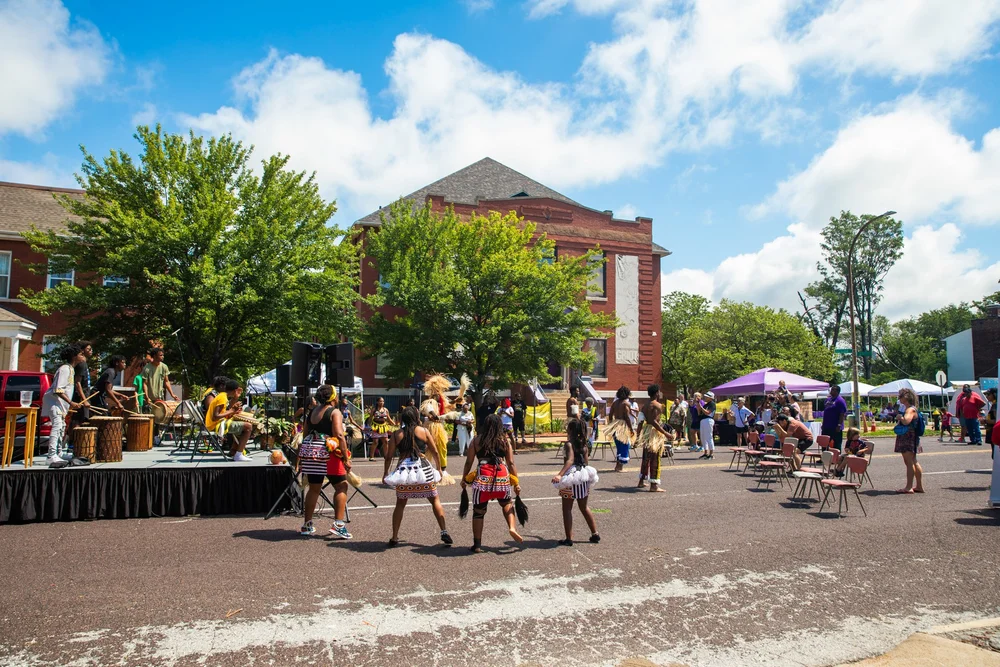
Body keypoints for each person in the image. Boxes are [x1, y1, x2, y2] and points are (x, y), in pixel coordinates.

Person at [382, 406, 452, 547]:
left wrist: (385, 473)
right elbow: (435, 452)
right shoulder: (424, 431)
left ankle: (394, 537)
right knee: (434, 500)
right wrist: (438, 469)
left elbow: (388, 456)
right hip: (423, 470)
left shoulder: (396, 434)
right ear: (416, 417)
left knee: (400, 504)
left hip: (404, 472)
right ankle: (444, 531)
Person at [461, 413, 523, 553]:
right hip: (501, 475)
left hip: (483, 477)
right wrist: (516, 482)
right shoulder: (504, 441)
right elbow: (511, 463)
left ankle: (477, 545)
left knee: (478, 512)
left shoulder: (476, 441)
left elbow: (469, 462)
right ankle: (512, 527)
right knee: (507, 503)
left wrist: (464, 478)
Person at [297, 385, 352, 538]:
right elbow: (339, 435)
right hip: (328, 451)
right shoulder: (334, 412)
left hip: (312, 451)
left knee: (314, 488)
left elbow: (305, 433)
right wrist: (346, 459)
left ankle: (307, 524)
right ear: (333, 397)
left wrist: (301, 458)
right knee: (341, 486)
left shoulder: (312, 412)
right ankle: (339, 525)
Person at [552, 418, 600, 545]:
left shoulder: (569, 444)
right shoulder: (584, 444)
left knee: (567, 509)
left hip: (570, 478)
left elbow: (570, 460)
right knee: (584, 507)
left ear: (571, 430)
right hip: (583, 476)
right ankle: (595, 534)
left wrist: (559, 475)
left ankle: (569, 538)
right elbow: (586, 462)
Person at [41, 344, 85, 464]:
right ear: (74, 356)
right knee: (57, 427)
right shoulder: (64, 369)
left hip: (60, 403)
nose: (83, 356)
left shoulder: (70, 369)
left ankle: (59, 452)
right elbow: (58, 389)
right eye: (81, 354)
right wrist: (71, 402)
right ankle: (51, 455)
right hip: (54, 402)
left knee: (62, 427)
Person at [204, 379, 253, 461]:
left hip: (218, 423)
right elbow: (215, 416)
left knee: (241, 425)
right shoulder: (222, 398)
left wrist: (233, 410)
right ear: (234, 390)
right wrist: (232, 411)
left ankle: (234, 451)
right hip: (215, 425)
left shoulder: (222, 396)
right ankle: (239, 455)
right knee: (248, 427)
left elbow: (225, 412)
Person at [636, 384, 671, 492]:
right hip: (654, 433)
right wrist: (666, 433)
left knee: (646, 457)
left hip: (647, 433)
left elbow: (641, 422)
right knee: (655, 458)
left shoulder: (645, 405)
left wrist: (638, 435)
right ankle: (654, 485)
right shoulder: (658, 405)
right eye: (659, 392)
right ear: (656, 393)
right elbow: (653, 421)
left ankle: (641, 481)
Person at [894, 387, 924, 494]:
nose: (899, 398)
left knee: (909, 462)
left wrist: (900, 417)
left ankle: (909, 487)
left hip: (908, 437)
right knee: (914, 461)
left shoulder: (910, 409)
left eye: (900, 396)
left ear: (906, 397)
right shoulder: (912, 408)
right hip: (912, 436)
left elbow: (906, 421)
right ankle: (919, 486)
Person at [605, 386, 635, 472]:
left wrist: (611, 425)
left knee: (619, 446)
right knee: (625, 445)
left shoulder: (615, 403)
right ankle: (620, 466)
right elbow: (627, 417)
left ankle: (617, 465)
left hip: (615, 426)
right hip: (622, 426)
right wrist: (631, 429)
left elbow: (610, 415)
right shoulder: (626, 404)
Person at [70, 340, 94, 428]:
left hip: (84, 395)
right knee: (78, 421)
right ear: (82, 351)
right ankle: (74, 441)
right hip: (80, 397)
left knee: (80, 420)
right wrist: (85, 400)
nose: (91, 351)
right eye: (89, 349)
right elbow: (77, 383)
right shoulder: (81, 364)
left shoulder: (84, 363)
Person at [821, 385, 848, 451]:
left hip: (835, 427)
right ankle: (824, 458)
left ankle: (836, 458)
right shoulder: (828, 399)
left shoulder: (840, 401)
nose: (831, 391)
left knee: (836, 444)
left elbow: (842, 414)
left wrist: (839, 425)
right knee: (824, 442)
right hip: (826, 426)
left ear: (837, 391)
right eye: (831, 389)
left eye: (833, 390)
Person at [698, 391, 717, 459]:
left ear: (710, 398)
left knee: (709, 436)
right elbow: (700, 414)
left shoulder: (712, 404)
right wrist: (699, 408)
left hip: (708, 420)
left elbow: (707, 412)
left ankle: (711, 453)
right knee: (703, 437)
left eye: (707, 396)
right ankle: (705, 452)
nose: (705, 397)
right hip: (703, 420)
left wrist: (701, 407)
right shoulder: (706, 405)